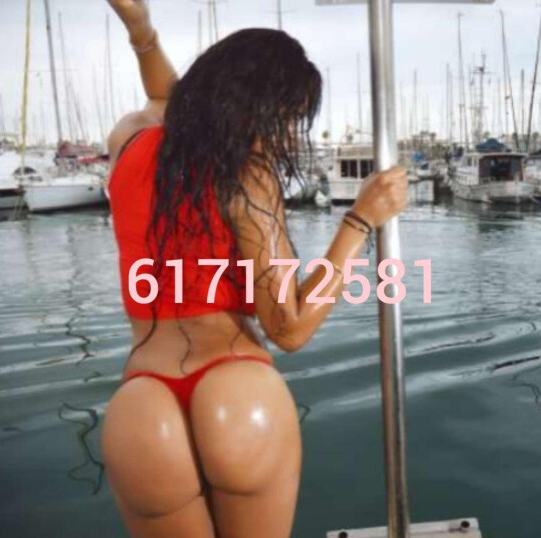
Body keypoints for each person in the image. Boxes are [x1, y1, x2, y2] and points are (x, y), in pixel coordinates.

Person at [100, 1, 408, 537]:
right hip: (237, 392)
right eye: (286, 117)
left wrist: (141, 31)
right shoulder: (248, 175)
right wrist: (360, 219)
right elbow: (288, 327)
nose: (285, 132)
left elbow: (164, 97)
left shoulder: (129, 140)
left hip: (141, 410)